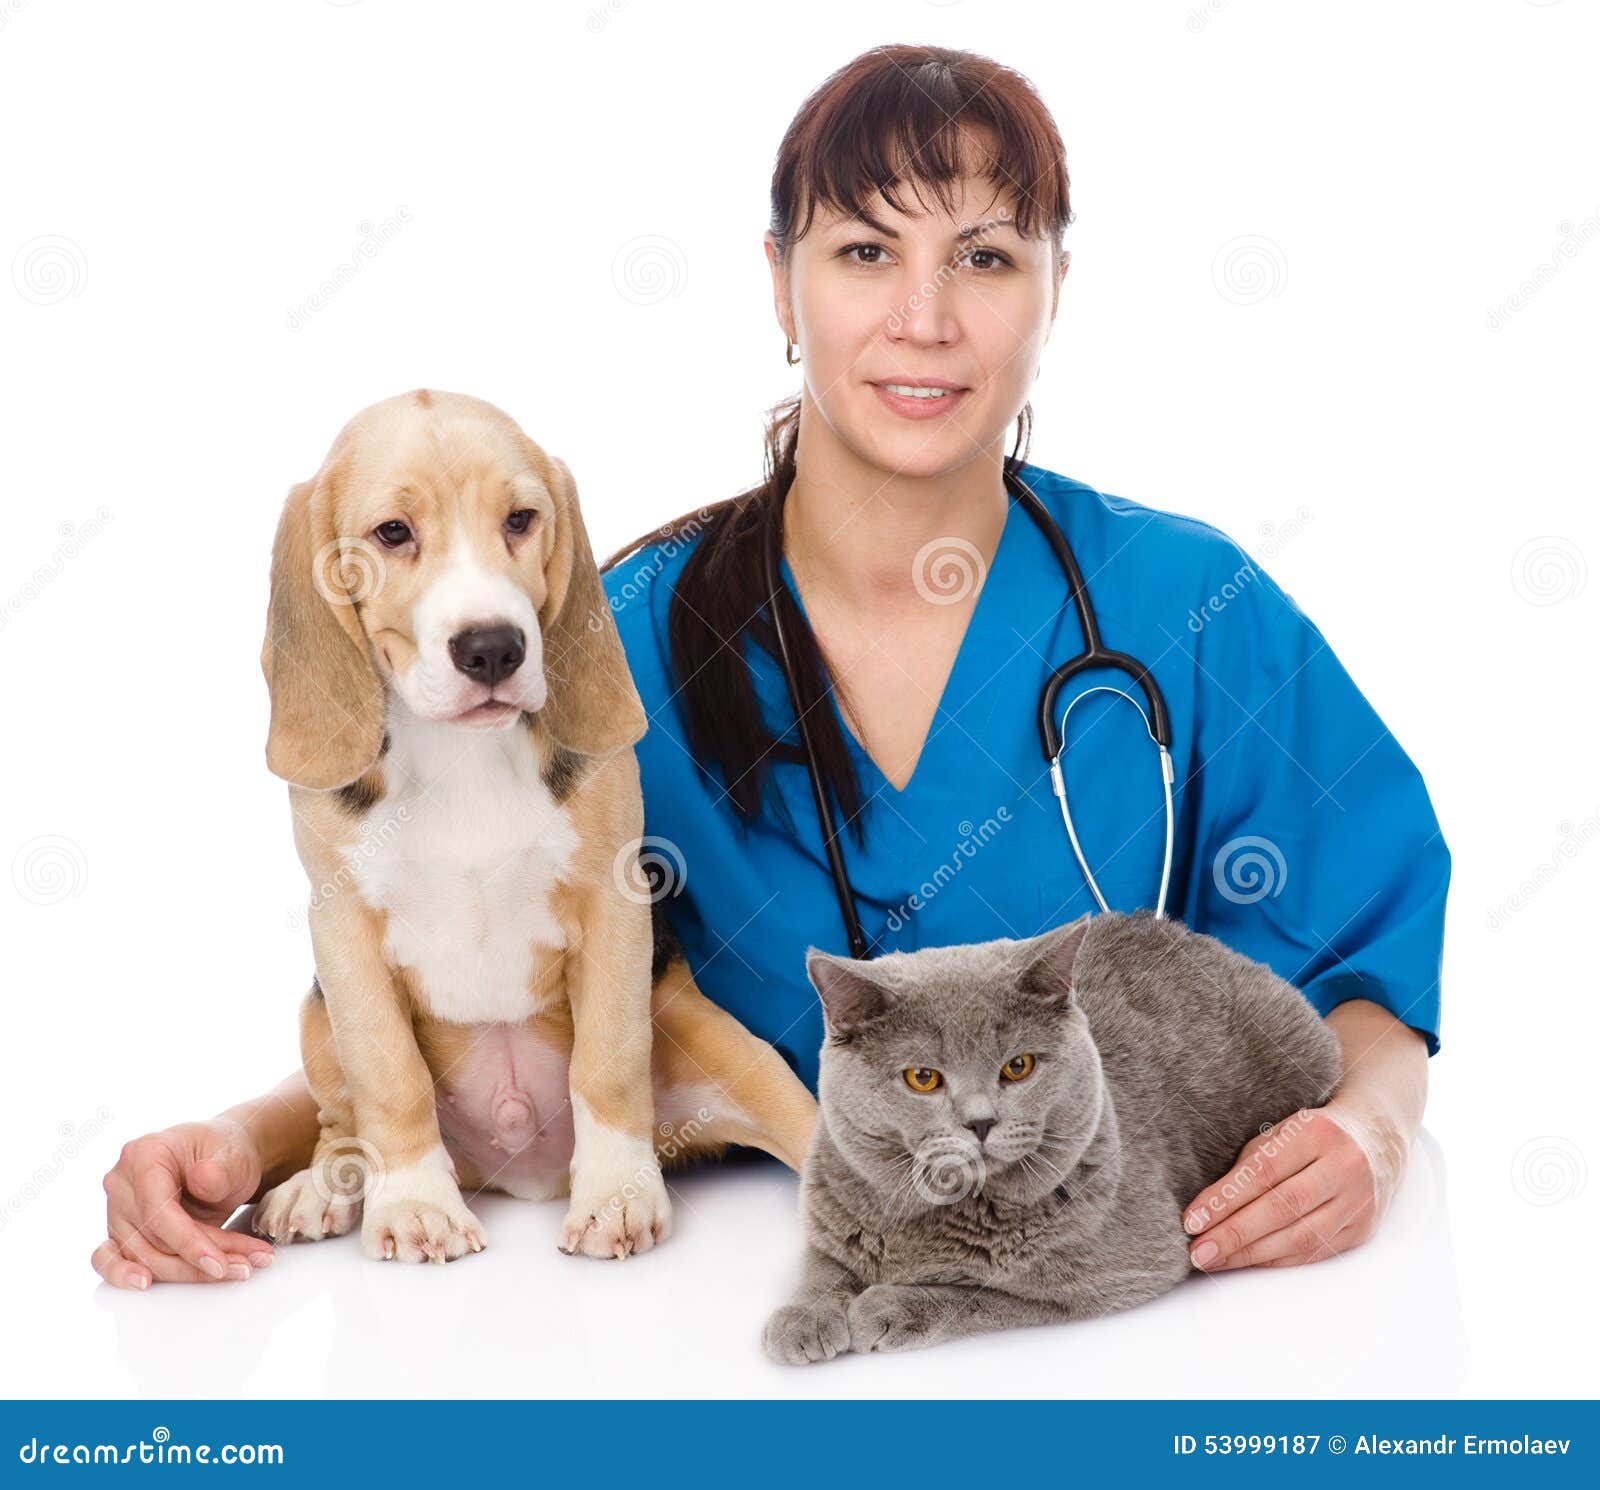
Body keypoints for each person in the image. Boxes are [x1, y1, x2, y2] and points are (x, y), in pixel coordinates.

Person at [93, 44, 1446, 1291]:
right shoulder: (606, 641)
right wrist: (239, 1137)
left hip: (1140, 1317)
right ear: (779, 281)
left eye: (983, 257)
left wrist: (1372, 1134)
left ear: (1052, 291)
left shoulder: (1184, 602)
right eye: (865, 251)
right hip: (707, 1337)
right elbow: (466, 963)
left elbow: (1365, 948)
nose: (922, 318)